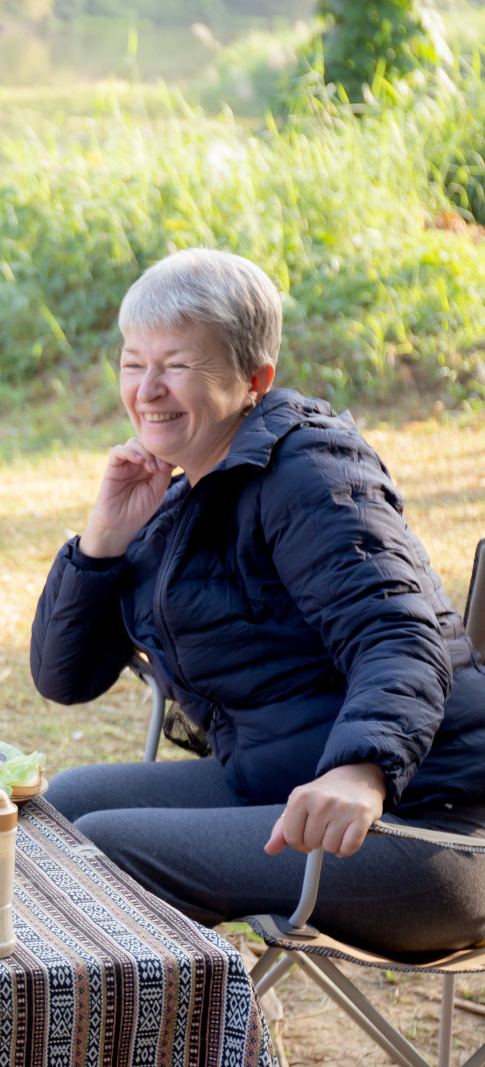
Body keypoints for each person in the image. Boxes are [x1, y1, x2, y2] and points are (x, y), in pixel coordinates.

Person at [29, 249, 485, 956]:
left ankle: (176, 1032)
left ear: (253, 379)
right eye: (132, 362)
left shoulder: (310, 470)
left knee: (104, 847)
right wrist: (104, 539)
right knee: (57, 808)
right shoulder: (186, 493)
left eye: (177, 364)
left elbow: (401, 635)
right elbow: (66, 678)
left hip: (427, 825)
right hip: (281, 791)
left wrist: (361, 770)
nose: (147, 389)